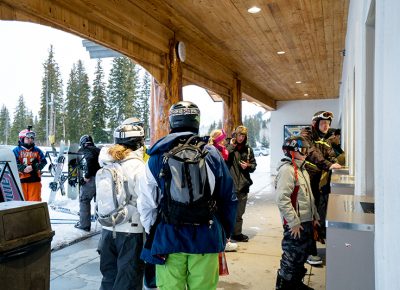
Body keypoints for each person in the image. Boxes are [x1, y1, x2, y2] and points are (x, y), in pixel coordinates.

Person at [137, 101, 237, 290]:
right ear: (196, 122)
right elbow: (228, 198)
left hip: (168, 238)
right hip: (206, 237)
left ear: (172, 122)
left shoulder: (156, 157)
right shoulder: (212, 154)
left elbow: (147, 203)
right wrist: (224, 233)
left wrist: (154, 230)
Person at [97, 120, 145, 290]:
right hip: (131, 231)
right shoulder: (138, 166)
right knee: (128, 282)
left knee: (108, 279)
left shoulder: (107, 162)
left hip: (108, 229)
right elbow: (146, 201)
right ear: (139, 143)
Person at [275, 135, 319, 290]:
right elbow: (282, 199)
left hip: (305, 221)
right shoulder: (287, 170)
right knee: (291, 257)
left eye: (307, 149)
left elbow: (308, 197)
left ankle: (295, 283)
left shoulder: (302, 169)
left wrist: (314, 217)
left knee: (301, 256)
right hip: (295, 224)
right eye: (302, 149)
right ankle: (284, 286)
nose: (306, 152)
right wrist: (293, 221)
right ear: (291, 151)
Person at [301, 111, 341, 265]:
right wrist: (328, 165)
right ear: (315, 124)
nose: (326, 126)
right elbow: (312, 153)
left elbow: (330, 154)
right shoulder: (307, 134)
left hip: (316, 181)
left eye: (328, 123)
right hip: (305, 180)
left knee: (315, 216)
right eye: (323, 123)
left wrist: (335, 163)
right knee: (306, 216)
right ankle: (308, 253)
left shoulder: (326, 139)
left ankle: (311, 246)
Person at [208, 128, 238, 252]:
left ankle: (225, 239)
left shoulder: (217, 151)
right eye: (223, 140)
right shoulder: (215, 152)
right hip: (219, 190)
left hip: (219, 187)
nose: (225, 142)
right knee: (222, 214)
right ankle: (224, 239)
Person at [226, 125, 257, 242]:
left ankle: (237, 233)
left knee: (239, 213)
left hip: (243, 185)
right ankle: (227, 235)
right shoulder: (228, 147)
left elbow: (254, 166)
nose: (241, 138)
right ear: (235, 135)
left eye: (243, 136)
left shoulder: (248, 149)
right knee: (228, 212)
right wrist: (231, 147)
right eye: (239, 135)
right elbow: (223, 158)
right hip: (230, 186)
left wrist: (248, 166)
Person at [74, 135, 101, 231]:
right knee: (100, 202)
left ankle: (84, 224)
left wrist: (87, 176)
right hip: (102, 179)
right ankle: (103, 223)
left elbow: (89, 161)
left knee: (84, 200)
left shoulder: (85, 150)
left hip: (92, 180)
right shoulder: (98, 150)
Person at [13, 128, 47, 201]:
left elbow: (43, 162)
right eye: (27, 138)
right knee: (21, 203)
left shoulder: (37, 150)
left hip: (34, 180)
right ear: (22, 138)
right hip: (20, 181)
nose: (30, 139)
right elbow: (13, 163)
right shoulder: (15, 151)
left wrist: (34, 167)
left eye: (32, 138)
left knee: (34, 203)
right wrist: (23, 168)